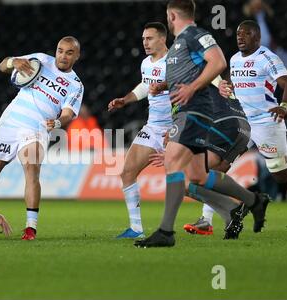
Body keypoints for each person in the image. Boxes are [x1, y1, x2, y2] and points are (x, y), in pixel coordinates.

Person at [134, 0, 267, 248]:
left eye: (168, 16)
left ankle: (165, 232)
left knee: (173, 164)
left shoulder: (195, 35)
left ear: (172, 16)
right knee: (197, 175)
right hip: (186, 113)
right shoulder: (179, 46)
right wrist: (165, 86)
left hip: (195, 111)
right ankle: (253, 201)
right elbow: (187, 76)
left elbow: (218, 62)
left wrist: (192, 88)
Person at [0, 36, 84, 240]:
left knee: (32, 171)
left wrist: (58, 123)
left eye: (69, 52)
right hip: (9, 124)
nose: (63, 55)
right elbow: (2, 65)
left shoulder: (76, 85)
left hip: (36, 128)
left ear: (77, 56)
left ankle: (30, 228)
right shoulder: (40, 60)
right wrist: (13, 62)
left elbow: (68, 113)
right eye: (60, 50)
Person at [219, 20, 287, 231]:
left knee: (282, 175)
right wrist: (224, 87)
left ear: (258, 38)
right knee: (219, 166)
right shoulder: (234, 60)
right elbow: (229, 83)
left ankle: (256, 201)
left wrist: (284, 106)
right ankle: (208, 220)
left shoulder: (267, 58)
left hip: (267, 123)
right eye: (238, 34)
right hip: (243, 124)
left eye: (246, 34)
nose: (240, 37)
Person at [107, 22, 172, 239]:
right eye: (143, 38)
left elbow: (188, 91)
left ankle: (221, 212)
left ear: (163, 39)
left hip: (176, 128)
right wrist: (125, 100)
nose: (145, 42)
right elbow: (145, 86)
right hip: (153, 127)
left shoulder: (175, 62)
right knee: (127, 172)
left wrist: (176, 130)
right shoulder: (146, 63)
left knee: (192, 181)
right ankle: (136, 228)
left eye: (150, 38)